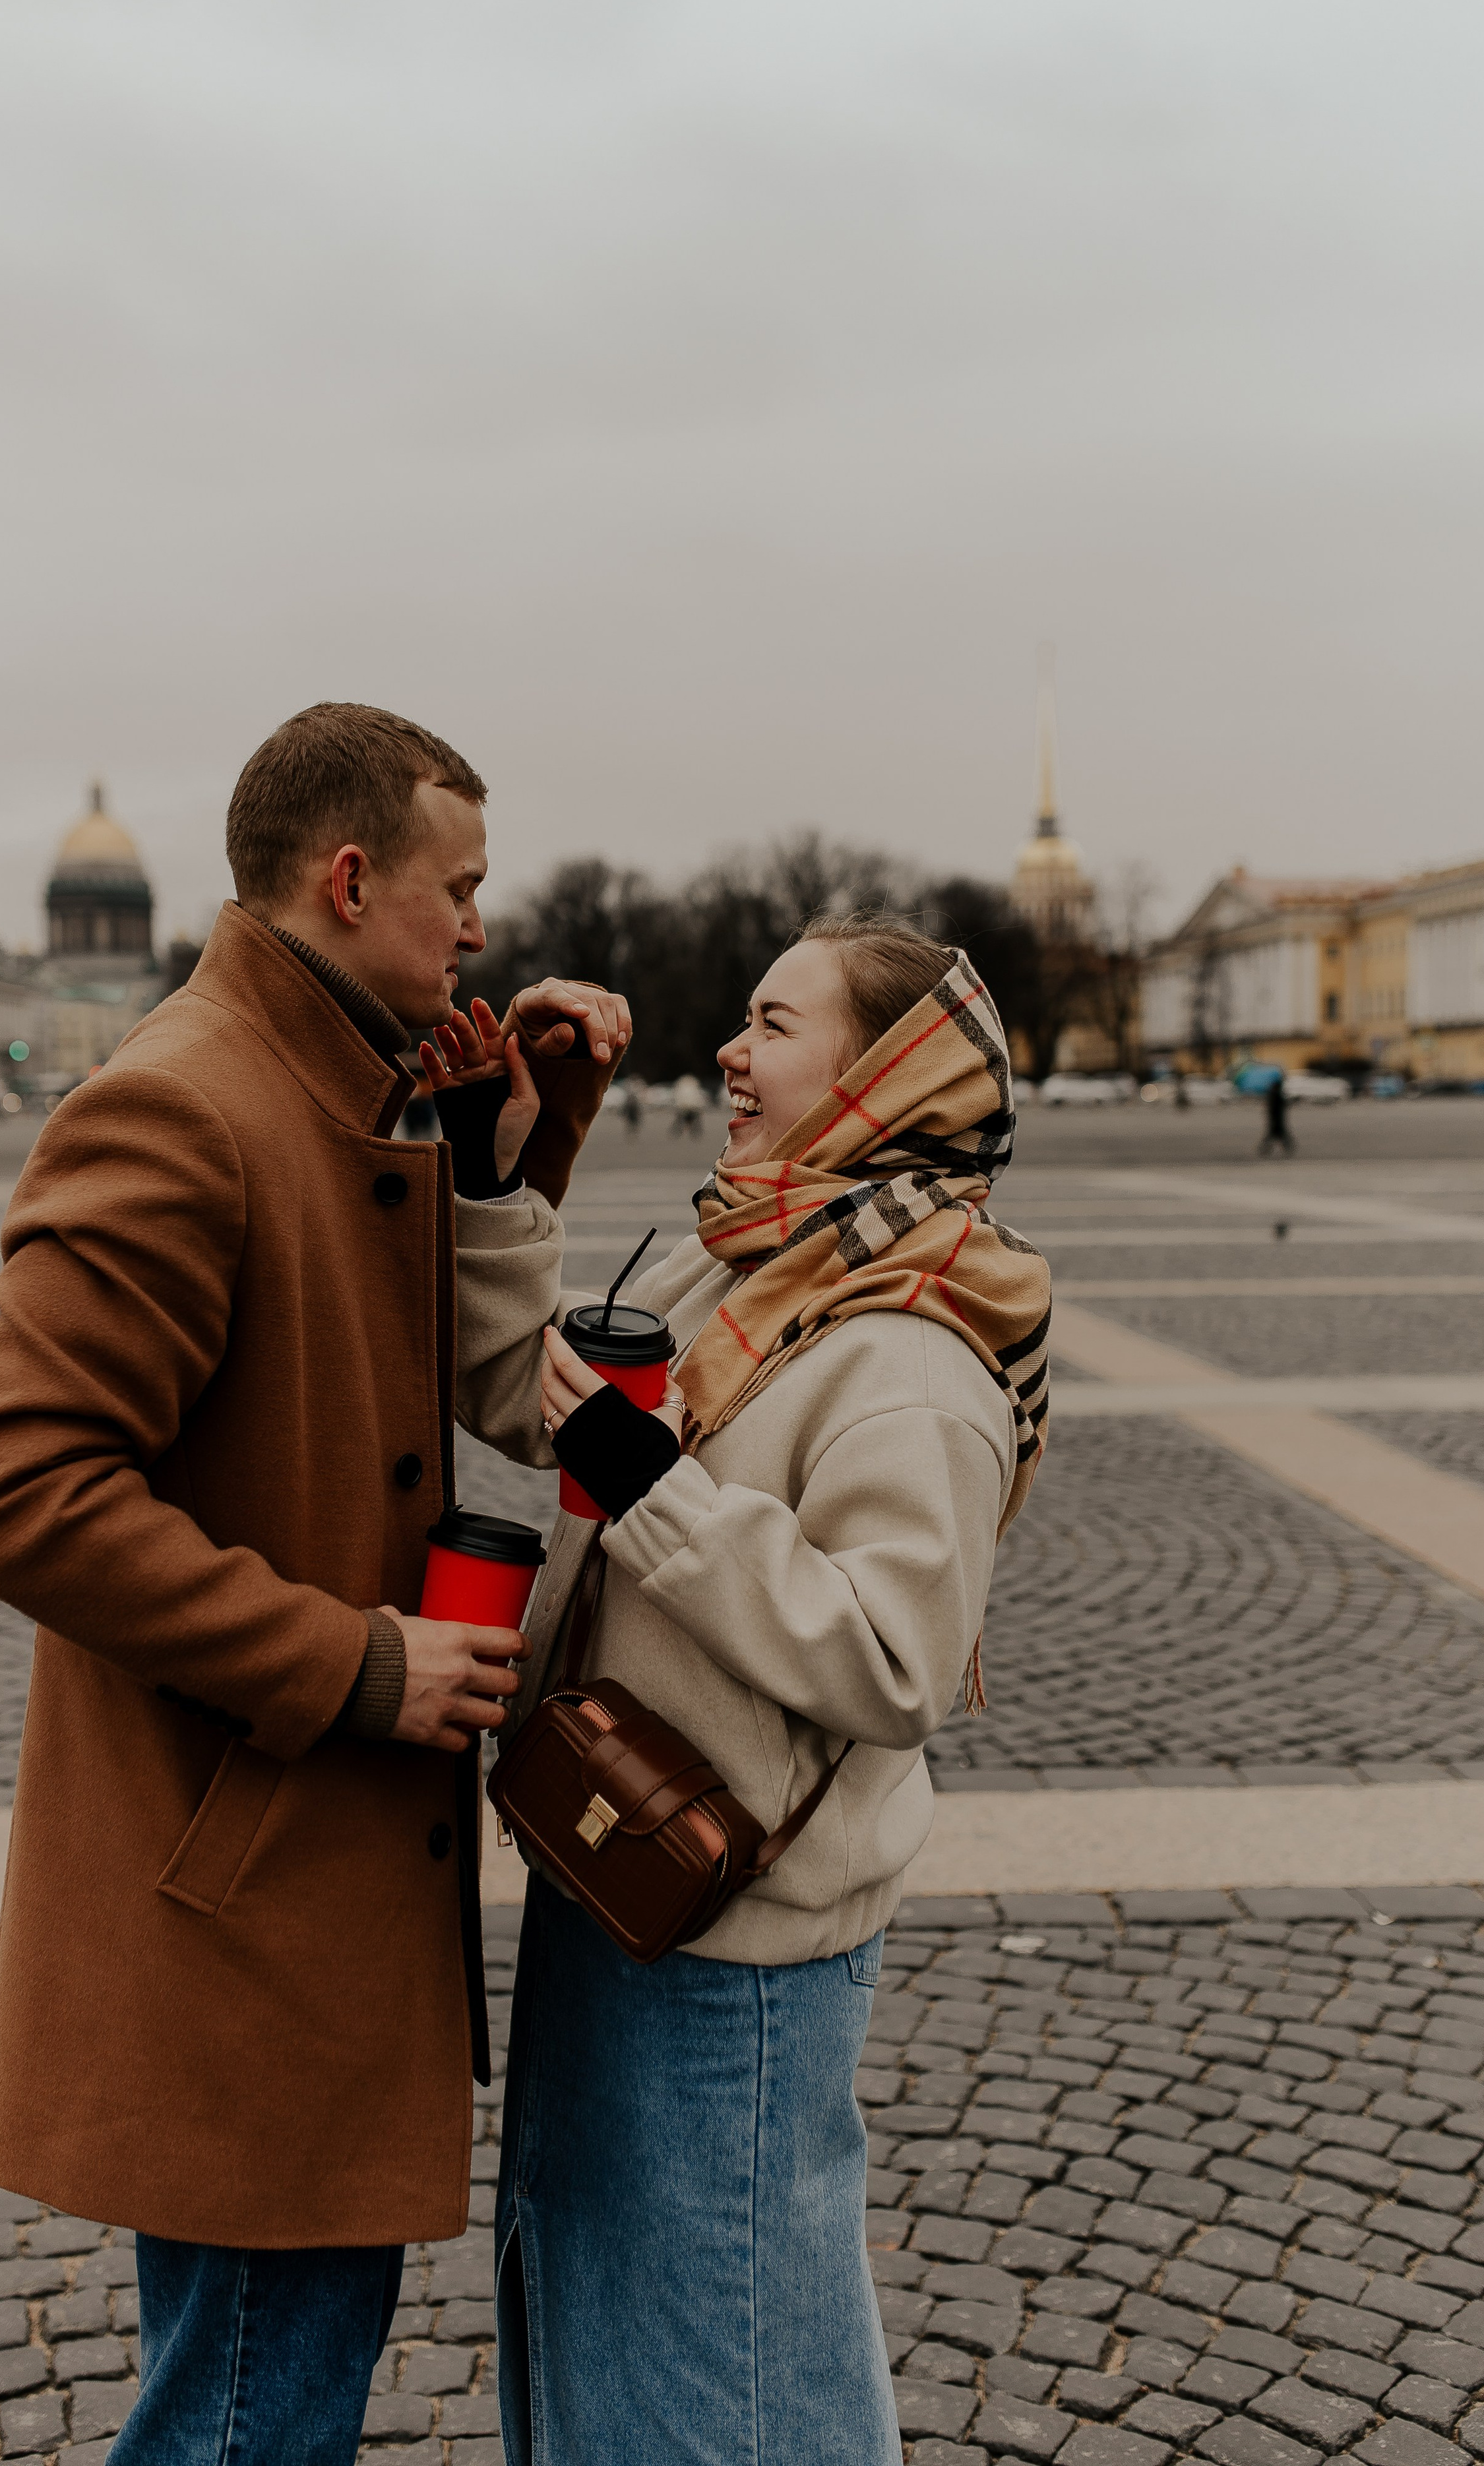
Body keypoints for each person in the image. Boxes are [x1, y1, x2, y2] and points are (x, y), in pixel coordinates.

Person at [0, 701, 622, 2466]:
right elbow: (13, 1490)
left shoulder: (324, 1085)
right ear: (347, 877)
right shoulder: (184, 1107)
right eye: (456, 887)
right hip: (245, 1895)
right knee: (245, 2417)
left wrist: (514, 1149)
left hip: (282, 1885)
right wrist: (357, 1662)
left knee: (257, 2395)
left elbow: (455, 1386)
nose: (479, 926)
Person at [479, 914, 1052, 2466]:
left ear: (877, 1071)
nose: (729, 1051)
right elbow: (532, 1397)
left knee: (723, 2378)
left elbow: (894, 1657)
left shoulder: (913, 1343)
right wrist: (500, 1160)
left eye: (771, 1024)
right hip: (618, 1868)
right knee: (637, 2337)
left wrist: (644, 1485)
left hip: (736, 1934)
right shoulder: (742, 1255)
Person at [1259, 1070, 1295, 1155]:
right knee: (1280, 1136)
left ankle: (1265, 1150)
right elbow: (1282, 1104)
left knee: (1273, 1137)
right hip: (1277, 1120)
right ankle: (1266, 1150)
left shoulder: (1272, 1095)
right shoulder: (1276, 1095)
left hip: (1275, 1119)